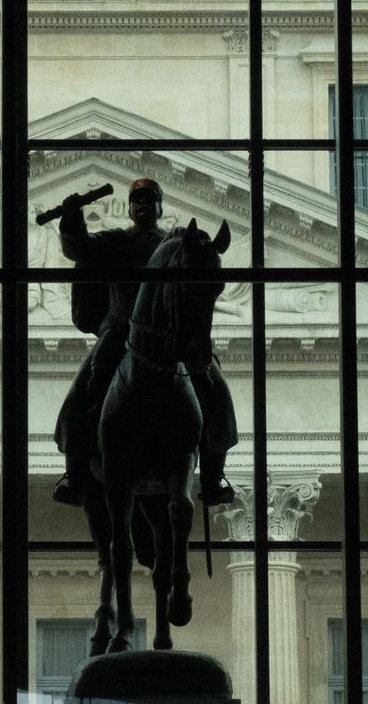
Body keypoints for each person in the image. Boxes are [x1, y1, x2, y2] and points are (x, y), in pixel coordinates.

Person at [51, 178, 236, 508]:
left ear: (160, 207)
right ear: (129, 207)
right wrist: (72, 217)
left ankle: (213, 474)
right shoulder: (115, 241)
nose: (142, 205)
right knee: (83, 390)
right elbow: (79, 249)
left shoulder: (176, 246)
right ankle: (75, 472)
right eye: (136, 200)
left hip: (172, 335)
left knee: (216, 387)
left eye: (149, 200)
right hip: (119, 333)